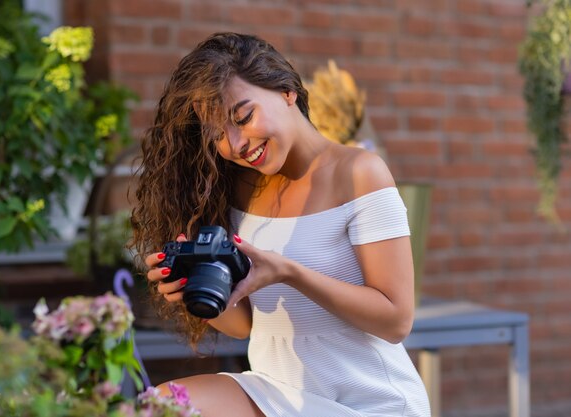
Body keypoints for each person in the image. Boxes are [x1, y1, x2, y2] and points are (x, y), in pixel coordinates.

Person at [131, 32, 430, 417]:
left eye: (243, 117)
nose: (236, 143)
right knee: (160, 407)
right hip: (279, 392)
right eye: (219, 134)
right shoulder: (240, 188)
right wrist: (190, 288)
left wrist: (289, 272)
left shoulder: (359, 172)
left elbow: (397, 320)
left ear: (286, 90)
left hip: (370, 402)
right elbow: (245, 326)